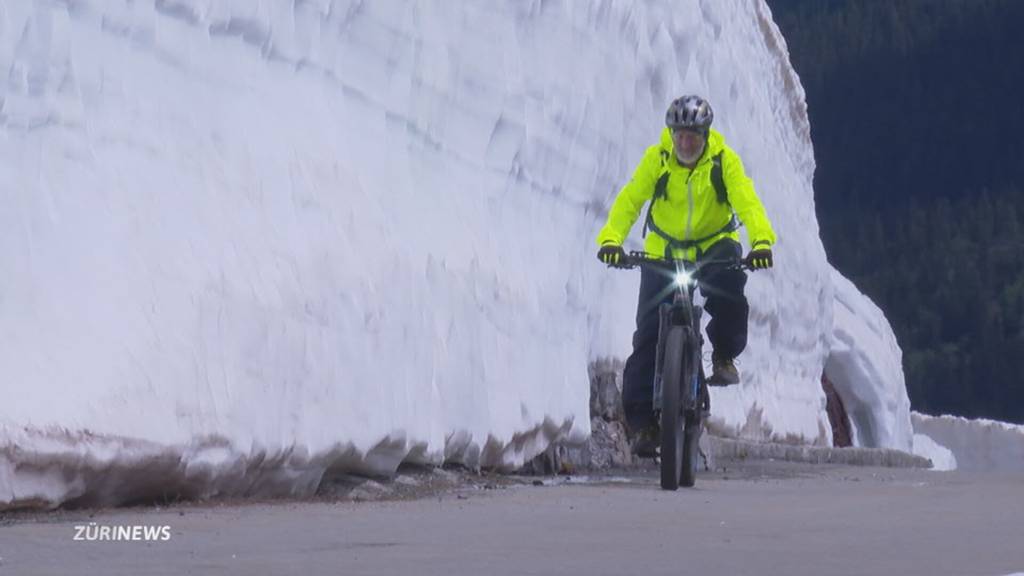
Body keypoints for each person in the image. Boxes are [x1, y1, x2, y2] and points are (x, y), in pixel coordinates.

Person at [595, 95, 776, 449]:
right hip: (664, 252)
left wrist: (762, 243)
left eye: (692, 135)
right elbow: (631, 199)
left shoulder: (723, 162)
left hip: (712, 248)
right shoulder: (658, 160)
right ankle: (643, 425)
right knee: (647, 334)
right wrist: (611, 240)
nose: (685, 143)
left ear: (705, 135)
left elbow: (747, 201)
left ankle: (723, 353)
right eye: (679, 135)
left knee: (728, 287)